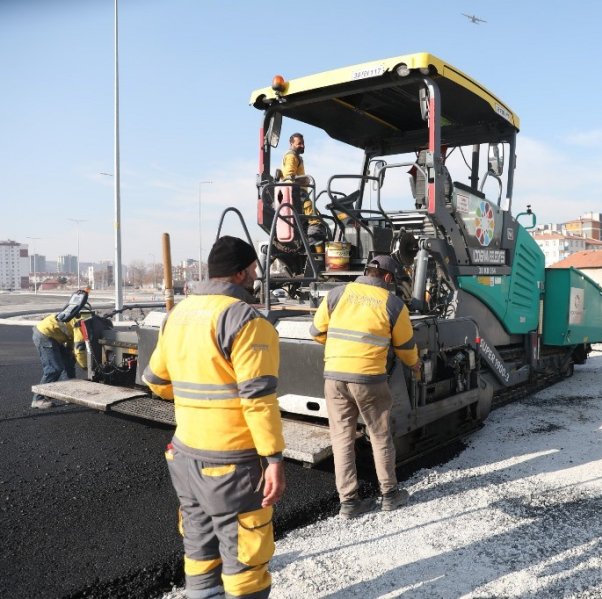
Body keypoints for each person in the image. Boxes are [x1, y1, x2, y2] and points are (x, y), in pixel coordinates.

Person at [143, 236, 286, 599]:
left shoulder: (178, 314)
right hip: (231, 466)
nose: (256, 277)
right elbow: (258, 400)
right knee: (245, 561)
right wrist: (273, 459)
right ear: (239, 274)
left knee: (200, 551)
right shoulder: (246, 321)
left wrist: (197, 401)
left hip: (184, 455)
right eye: (253, 270)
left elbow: (155, 381)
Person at [310, 254, 421, 518]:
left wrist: (341, 351)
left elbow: (316, 333)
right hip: (369, 379)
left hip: (334, 378)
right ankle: (390, 495)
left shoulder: (337, 294)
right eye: (392, 280)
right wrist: (415, 364)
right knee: (380, 435)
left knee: (341, 437)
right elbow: (405, 348)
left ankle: (349, 502)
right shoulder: (392, 304)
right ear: (386, 277)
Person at [31, 292, 89, 409]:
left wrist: (69, 352)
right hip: (45, 335)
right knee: (54, 369)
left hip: (51, 334)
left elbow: (72, 341)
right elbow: (79, 348)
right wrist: (85, 366)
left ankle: (69, 395)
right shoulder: (81, 323)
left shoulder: (77, 316)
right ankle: (38, 399)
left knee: (69, 362)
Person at [281, 132, 326, 252]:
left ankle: (312, 247)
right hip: (297, 193)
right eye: (299, 143)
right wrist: (305, 180)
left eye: (303, 143)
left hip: (298, 193)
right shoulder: (291, 156)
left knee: (313, 218)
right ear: (291, 143)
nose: (302, 145)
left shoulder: (296, 157)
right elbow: (289, 177)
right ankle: (318, 252)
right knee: (315, 218)